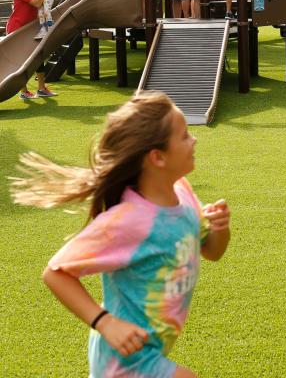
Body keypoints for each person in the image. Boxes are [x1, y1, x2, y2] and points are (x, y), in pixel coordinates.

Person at [11, 92, 232, 378]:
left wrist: (220, 228)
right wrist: (104, 322)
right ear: (157, 157)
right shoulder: (128, 221)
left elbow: (213, 251)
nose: (194, 140)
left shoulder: (183, 195)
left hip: (148, 350)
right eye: (185, 136)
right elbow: (55, 273)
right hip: (123, 362)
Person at [7, 0, 55, 99]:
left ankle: (41, 88)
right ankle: (24, 91)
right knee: (22, 60)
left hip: (30, 28)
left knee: (38, 56)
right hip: (18, 28)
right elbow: (38, 3)